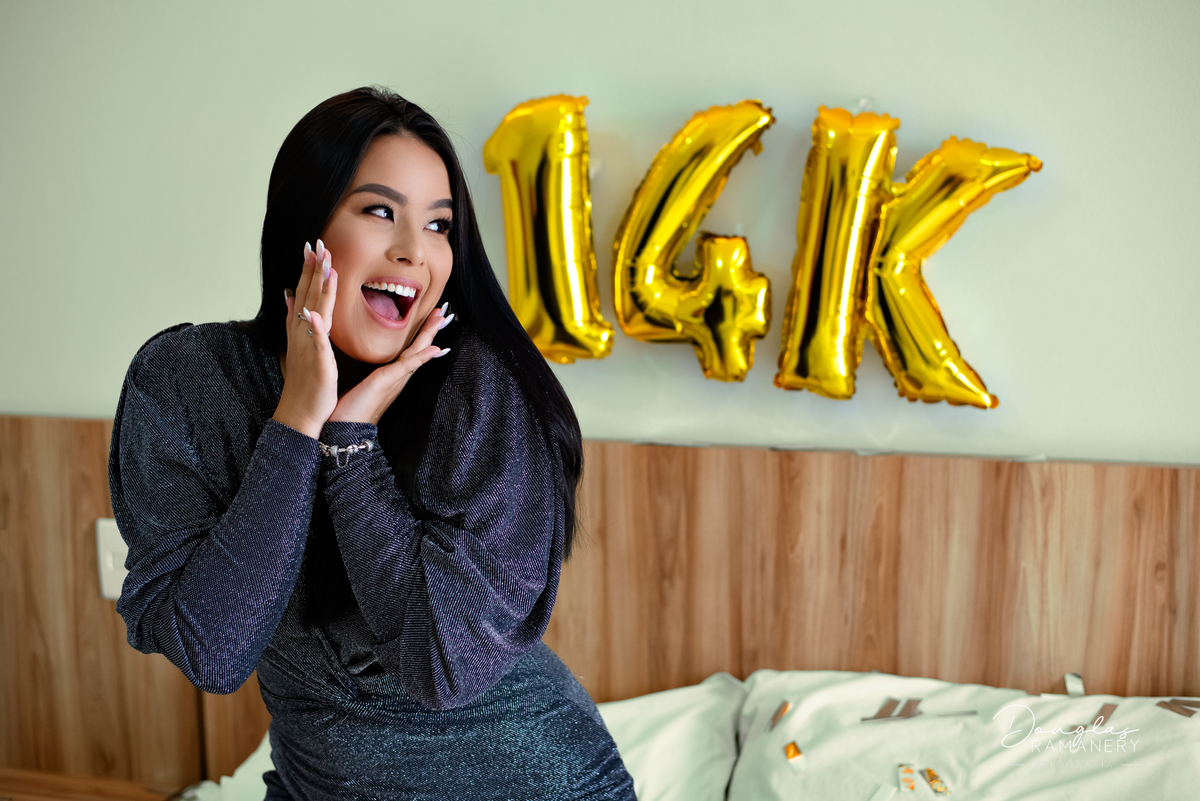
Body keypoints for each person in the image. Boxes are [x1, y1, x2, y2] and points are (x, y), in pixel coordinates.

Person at [108, 86, 636, 800]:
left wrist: (350, 445)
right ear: (307, 225)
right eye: (380, 211)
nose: (414, 251)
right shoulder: (190, 381)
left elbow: (442, 665)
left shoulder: (480, 388)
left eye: (439, 225)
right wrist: (297, 420)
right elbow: (213, 651)